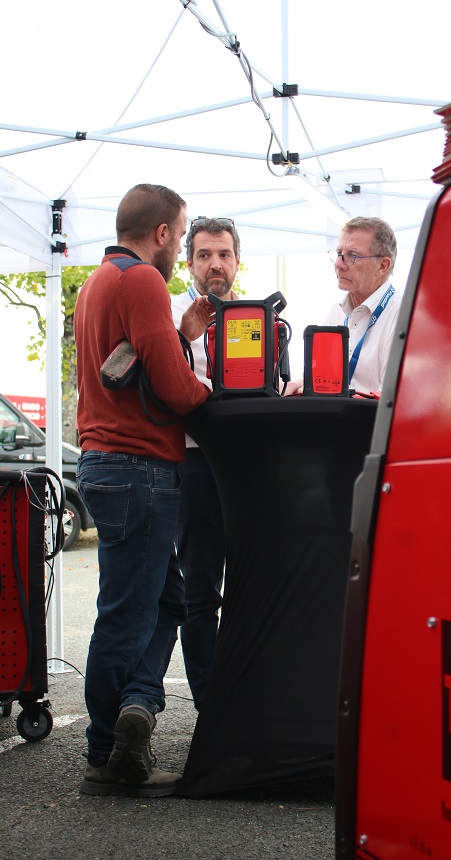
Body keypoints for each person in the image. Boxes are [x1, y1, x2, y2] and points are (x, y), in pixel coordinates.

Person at [74, 183, 214, 799]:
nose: (180, 245)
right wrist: (214, 391)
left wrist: (180, 331)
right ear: (162, 234)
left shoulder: (98, 281)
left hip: (108, 461)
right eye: (181, 235)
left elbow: (135, 364)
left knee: (164, 602)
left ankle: (135, 709)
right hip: (141, 468)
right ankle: (107, 753)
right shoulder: (143, 281)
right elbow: (176, 388)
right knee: (128, 615)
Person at [170, 216, 240, 709]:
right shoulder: (172, 315)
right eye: (204, 255)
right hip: (192, 467)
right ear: (188, 260)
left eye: (224, 254)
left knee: (252, 584)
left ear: (237, 261)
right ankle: (208, 705)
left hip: (247, 471)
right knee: (200, 594)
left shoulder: (259, 319)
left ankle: (245, 697)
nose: (215, 264)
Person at [287, 216, 401, 395]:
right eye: (339, 253)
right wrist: (300, 385)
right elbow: (323, 378)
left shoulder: (402, 315)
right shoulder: (337, 312)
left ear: (382, 266)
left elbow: (390, 400)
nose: (339, 264)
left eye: (352, 256)